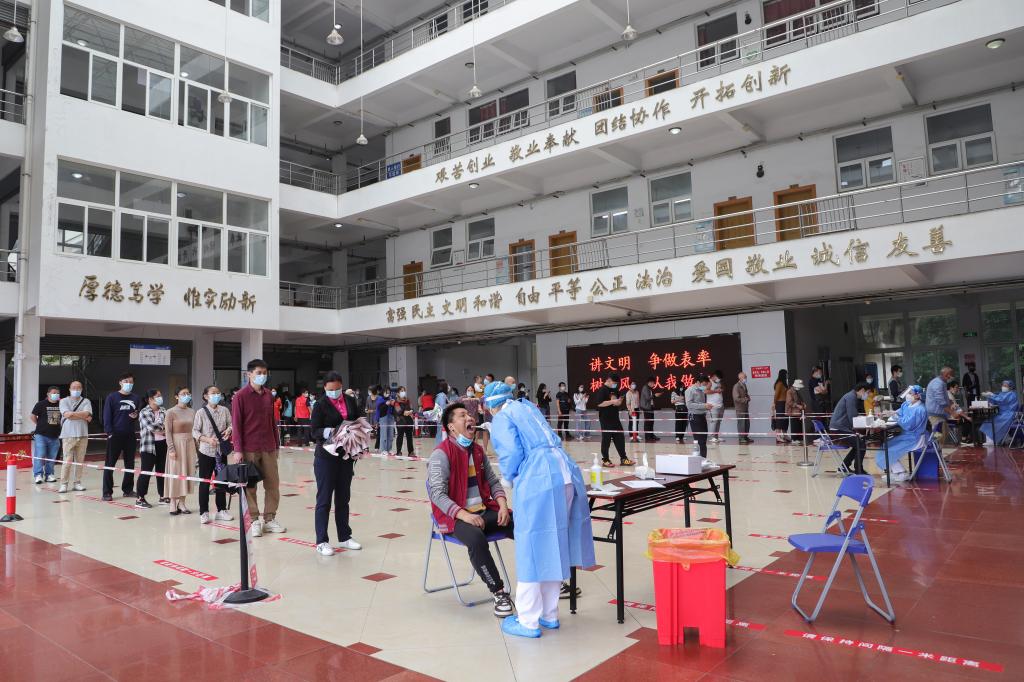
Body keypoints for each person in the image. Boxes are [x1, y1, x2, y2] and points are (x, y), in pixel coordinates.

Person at [483, 381, 595, 638]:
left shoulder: (502, 418)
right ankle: (549, 614)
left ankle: (528, 620)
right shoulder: (528, 407)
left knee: (531, 547)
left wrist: (508, 478)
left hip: (539, 478)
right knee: (554, 543)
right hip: (564, 473)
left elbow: (511, 452)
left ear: (491, 405)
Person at [427, 401, 514, 619]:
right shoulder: (441, 454)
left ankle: (546, 580)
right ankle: (499, 592)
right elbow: (437, 494)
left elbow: (493, 481)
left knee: (522, 524)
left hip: (484, 510)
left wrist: (503, 504)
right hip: (454, 517)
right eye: (462, 415)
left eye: (469, 415)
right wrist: (464, 514)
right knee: (476, 538)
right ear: (451, 427)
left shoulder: (477, 450)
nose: (470, 418)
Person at [231, 358, 286, 537]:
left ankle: (269, 519)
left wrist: (277, 444)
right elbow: (236, 424)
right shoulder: (240, 396)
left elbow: (272, 422)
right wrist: (238, 449)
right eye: (258, 373)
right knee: (250, 486)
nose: (262, 376)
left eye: (264, 373)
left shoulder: (269, 395)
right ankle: (254, 520)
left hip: (268, 446)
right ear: (249, 374)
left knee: (273, 484)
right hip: (249, 448)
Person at [311, 372, 362, 555]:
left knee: (343, 498)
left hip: (346, 455)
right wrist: (331, 431)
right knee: (324, 500)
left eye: (338, 388)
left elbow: (358, 420)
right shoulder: (320, 405)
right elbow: (314, 431)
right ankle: (322, 541)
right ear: (325, 388)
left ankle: (345, 536)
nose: (334, 392)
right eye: (331, 389)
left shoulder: (350, 400)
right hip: (326, 457)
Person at [193, 385, 233, 524]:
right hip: (206, 451)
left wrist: (229, 431)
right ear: (206, 396)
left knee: (221, 481)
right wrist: (207, 440)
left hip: (221, 451)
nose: (216, 395)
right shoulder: (201, 412)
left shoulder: (225, 410)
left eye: (218, 393)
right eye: (213, 393)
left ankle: (221, 510)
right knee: (204, 482)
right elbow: (195, 431)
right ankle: (203, 512)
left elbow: (231, 424)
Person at [101, 373, 142, 501]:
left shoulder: (135, 398)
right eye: (126, 381)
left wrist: (136, 415)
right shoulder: (112, 397)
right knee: (110, 464)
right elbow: (107, 416)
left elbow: (138, 412)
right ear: (120, 382)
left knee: (130, 463)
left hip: (130, 434)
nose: (128, 384)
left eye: (131, 382)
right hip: (115, 435)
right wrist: (110, 433)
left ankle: (128, 489)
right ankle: (107, 492)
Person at [878, 385, 928, 483]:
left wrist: (895, 416)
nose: (908, 395)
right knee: (885, 446)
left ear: (918, 395)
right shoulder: (906, 405)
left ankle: (902, 472)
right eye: (908, 393)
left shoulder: (920, 409)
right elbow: (899, 412)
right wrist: (888, 413)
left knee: (888, 449)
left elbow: (908, 425)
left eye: (910, 393)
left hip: (915, 438)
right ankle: (895, 471)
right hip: (906, 435)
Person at [165, 387, 196, 516]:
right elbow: (168, 432)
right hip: (177, 444)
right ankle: (173, 502)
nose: (186, 395)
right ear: (176, 396)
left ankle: (182, 502)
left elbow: (195, 430)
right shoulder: (170, 412)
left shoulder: (192, 411)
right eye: (183, 394)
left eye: (188, 393)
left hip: (190, 444)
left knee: (187, 473)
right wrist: (171, 448)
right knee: (175, 472)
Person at [57, 381, 92, 493]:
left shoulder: (86, 401)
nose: (76, 390)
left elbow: (87, 414)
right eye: (74, 387)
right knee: (67, 460)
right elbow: (67, 415)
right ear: (69, 389)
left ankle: (77, 483)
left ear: (82, 389)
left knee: (80, 461)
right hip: (68, 435)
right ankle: (64, 484)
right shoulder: (63, 401)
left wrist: (73, 414)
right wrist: (82, 415)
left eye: (78, 387)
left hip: (83, 434)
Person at [136, 389, 168, 508]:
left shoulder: (164, 410)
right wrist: (164, 429)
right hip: (149, 446)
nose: (160, 398)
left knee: (161, 471)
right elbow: (151, 427)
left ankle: (163, 496)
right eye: (157, 396)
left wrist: (163, 429)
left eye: (160, 395)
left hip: (162, 444)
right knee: (146, 472)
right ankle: (140, 498)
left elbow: (169, 425)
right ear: (150, 399)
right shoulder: (144, 412)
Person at [829, 382, 870, 474]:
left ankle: (844, 467)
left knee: (859, 443)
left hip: (840, 428)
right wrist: (864, 423)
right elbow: (853, 417)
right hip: (838, 429)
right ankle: (858, 469)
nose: (867, 395)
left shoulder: (851, 396)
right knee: (861, 444)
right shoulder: (851, 397)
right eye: (867, 392)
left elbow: (853, 416)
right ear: (862, 390)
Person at [594, 374, 634, 467]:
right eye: (614, 382)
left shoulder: (615, 389)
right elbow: (599, 404)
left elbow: (617, 403)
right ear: (608, 380)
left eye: (616, 383)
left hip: (615, 418)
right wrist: (612, 401)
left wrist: (619, 401)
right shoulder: (602, 390)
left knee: (620, 438)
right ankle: (605, 460)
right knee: (606, 439)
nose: (615, 384)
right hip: (605, 419)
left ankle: (624, 459)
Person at [30, 386, 62, 484]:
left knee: (52, 457)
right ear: (48, 394)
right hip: (41, 435)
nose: (56, 394)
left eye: (57, 393)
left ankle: (49, 474)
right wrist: (40, 424)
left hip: (55, 435)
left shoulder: (61, 404)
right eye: (54, 393)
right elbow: (32, 416)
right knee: (40, 455)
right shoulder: (41, 404)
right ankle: (38, 475)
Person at [979, 380, 1019, 447]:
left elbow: (1001, 399)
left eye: (1005, 386)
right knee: (989, 421)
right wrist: (989, 397)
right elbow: (996, 400)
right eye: (1003, 385)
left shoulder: (1012, 394)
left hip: (1009, 414)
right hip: (1002, 414)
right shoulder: (1002, 394)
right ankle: (999, 440)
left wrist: (992, 395)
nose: (1003, 387)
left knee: (992, 422)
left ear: (1010, 387)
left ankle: (992, 441)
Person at [925, 366, 955, 447]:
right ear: (946, 375)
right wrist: (952, 413)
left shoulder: (941, 382)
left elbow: (942, 398)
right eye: (951, 375)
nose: (952, 377)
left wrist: (949, 401)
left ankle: (939, 450)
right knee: (939, 434)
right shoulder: (937, 384)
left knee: (942, 433)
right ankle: (936, 449)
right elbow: (941, 401)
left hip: (939, 414)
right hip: (935, 414)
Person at [686, 374, 713, 460]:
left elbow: (701, 404)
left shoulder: (701, 390)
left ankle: (703, 459)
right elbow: (689, 405)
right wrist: (704, 406)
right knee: (699, 440)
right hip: (695, 417)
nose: (705, 386)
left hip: (702, 416)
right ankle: (699, 460)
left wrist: (706, 406)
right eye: (704, 384)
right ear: (698, 382)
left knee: (704, 440)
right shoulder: (690, 390)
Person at [640, 377, 663, 443]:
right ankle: (647, 437)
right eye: (653, 383)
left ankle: (651, 435)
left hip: (650, 407)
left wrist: (655, 396)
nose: (654, 384)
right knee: (648, 423)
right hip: (646, 408)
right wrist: (655, 395)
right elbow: (647, 398)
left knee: (651, 422)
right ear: (649, 382)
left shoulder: (649, 389)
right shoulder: (645, 388)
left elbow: (650, 398)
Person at [394, 386, 415, 456]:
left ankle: (411, 452)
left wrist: (410, 412)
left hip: (409, 421)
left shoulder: (408, 400)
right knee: (400, 437)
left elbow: (412, 408)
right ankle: (398, 452)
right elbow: (398, 411)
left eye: (404, 391)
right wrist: (405, 412)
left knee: (409, 437)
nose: (403, 392)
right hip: (400, 421)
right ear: (398, 393)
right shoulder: (396, 402)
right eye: (402, 391)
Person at [375, 385, 397, 454]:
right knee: (383, 434)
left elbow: (394, 409)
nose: (388, 393)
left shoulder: (390, 398)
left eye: (389, 392)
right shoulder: (380, 399)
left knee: (390, 434)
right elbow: (380, 410)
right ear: (383, 392)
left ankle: (389, 449)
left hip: (390, 417)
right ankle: (383, 449)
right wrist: (386, 404)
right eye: (386, 392)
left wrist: (392, 404)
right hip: (383, 417)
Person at [786, 379, 808, 444]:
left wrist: (803, 404)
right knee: (795, 425)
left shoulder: (797, 391)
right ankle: (794, 439)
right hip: (793, 411)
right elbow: (789, 402)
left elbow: (800, 400)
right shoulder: (789, 391)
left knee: (799, 425)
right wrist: (798, 405)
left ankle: (799, 438)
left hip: (799, 411)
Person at [733, 371, 752, 444]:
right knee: (741, 423)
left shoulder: (744, 385)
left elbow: (746, 394)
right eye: (744, 377)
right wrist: (745, 399)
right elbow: (736, 398)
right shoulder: (736, 386)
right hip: (740, 408)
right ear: (740, 378)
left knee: (747, 423)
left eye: (746, 377)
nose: (746, 378)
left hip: (745, 407)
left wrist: (748, 397)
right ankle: (741, 438)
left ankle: (745, 436)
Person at [772, 369, 790, 444]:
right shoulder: (779, 383)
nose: (787, 376)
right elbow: (776, 395)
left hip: (785, 403)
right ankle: (778, 436)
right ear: (783, 375)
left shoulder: (784, 383)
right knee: (780, 420)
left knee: (785, 420)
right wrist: (774, 403)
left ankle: (785, 435)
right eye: (786, 374)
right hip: (780, 404)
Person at [707, 371, 725, 443]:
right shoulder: (709, 382)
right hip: (713, 406)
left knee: (718, 421)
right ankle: (712, 437)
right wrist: (716, 391)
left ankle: (716, 436)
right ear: (714, 376)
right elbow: (706, 391)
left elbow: (722, 389)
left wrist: (721, 389)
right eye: (718, 378)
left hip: (720, 405)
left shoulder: (718, 382)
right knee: (714, 421)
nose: (719, 379)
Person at [434, 380, 450, 445]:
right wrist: (450, 405)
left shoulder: (441, 395)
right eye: (447, 386)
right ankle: (440, 447)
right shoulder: (442, 395)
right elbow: (443, 406)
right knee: (441, 433)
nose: (449, 387)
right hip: (442, 418)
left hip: (441, 417)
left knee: (440, 433)